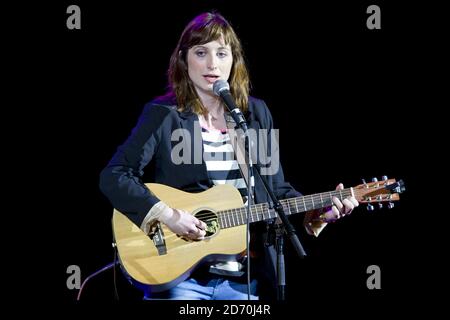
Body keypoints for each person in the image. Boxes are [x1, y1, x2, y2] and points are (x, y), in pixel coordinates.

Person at [99, 11, 358, 300]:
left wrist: (318, 211)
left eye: (222, 53)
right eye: (201, 52)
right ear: (184, 60)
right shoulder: (164, 115)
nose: (212, 64)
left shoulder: (256, 115)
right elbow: (115, 175)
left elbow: (275, 191)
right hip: (181, 280)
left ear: (234, 60)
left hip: (246, 281)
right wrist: (169, 216)